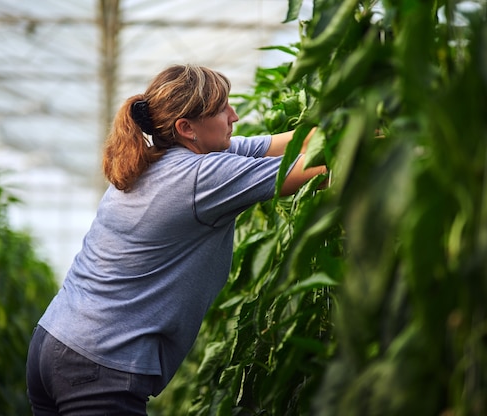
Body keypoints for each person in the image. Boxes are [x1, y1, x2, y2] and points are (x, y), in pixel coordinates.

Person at [26, 64, 327, 415]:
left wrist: (349, 122)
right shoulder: (199, 178)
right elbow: (315, 168)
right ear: (187, 128)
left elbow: (292, 143)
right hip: (99, 363)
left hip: (53, 343)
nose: (235, 115)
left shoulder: (161, 161)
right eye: (222, 109)